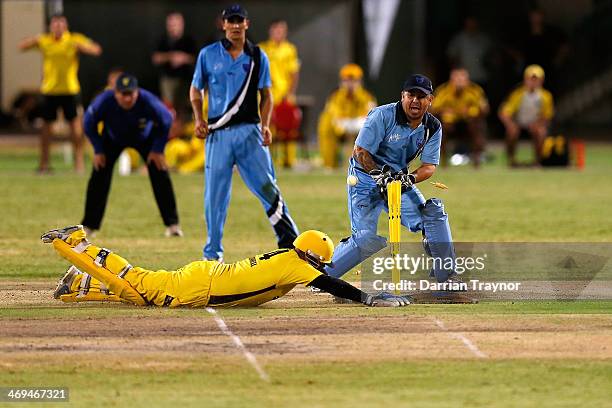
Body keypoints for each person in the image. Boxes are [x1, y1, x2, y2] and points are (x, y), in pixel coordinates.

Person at [42, 225, 410, 308]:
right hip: (201, 288)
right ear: (310, 255)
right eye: (320, 261)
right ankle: (74, 243)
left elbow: (325, 280)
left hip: (206, 277)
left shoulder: (289, 257)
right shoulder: (297, 266)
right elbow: (331, 285)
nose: (321, 267)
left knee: (140, 288)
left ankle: (79, 288)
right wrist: (366, 298)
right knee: (136, 287)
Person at [325, 74, 459, 286]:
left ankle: (447, 278)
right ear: (402, 96)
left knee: (432, 215)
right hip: (365, 179)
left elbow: (429, 167)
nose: (415, 101)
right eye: (411, 95)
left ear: (430, 100)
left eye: (421, 96)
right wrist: (378, 174)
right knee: (365, 239)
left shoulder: (432, 127)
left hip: (397, 180)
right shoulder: (381, 115)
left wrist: (409, 179)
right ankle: (323, 277)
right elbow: (360, 151)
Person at [190, 4, 299, 261]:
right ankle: (212, 255)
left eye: (240, 21)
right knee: (214, 197)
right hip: (218, 135)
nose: (236, 25)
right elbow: (196, 90)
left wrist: (265, 125)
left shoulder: (258, 56)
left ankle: (291, 245)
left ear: (247, 24)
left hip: (251, 133)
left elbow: (267, 96)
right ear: (223, 24)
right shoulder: (208, 55)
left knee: (268, 188)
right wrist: (198, 119)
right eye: (231, 21)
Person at [81, 73, 182, 237]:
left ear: (137, 92)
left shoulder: (148, 100)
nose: (127, 99)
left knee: (160, 173)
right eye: (123, 94)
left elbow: (166, 120)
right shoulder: (104, 101)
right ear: (116, 93)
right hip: (112, 138)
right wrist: (98, 150)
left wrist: (157, 149)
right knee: (99, 175)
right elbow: (88, 123)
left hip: (144, 137)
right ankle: (89, 225)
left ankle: (173, 225)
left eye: (131, 94)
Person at [18, 14, 102, 174]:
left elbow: (96, 49)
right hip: (49, 90)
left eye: (61, 24)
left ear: (66, 26)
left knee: (76, 128)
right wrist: (33, 40)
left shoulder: (74, 39)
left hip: (70, 90)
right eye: (55, 25)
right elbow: (21, 46)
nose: (58, 27)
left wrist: (82, 47)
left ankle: (79, 165)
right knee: (46, 129)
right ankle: (44, 164)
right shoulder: (45, 40)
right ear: (50, 27)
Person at [259, 19, 301, 168]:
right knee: (266, 126)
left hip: (284, 94)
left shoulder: (289, 49)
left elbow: (294, 73)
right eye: (277, 30)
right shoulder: (262, 49)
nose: (279, 33)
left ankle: (289, 160)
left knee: (289, 127)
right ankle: (265, 159)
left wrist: (290, 93)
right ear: (271, 31)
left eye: (282, 30)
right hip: (267, 93)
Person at [318, 64, 376, 169]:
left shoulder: (366, 96)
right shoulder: (336, 96)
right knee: (325, 124)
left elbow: (370, 114)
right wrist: (341, 127)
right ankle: (330, 164)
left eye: (354, 80)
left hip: (360, 125)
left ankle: (369, 165)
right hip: (342, 124)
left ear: (359, 82)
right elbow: (333, 114)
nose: (350, 84)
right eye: (347, 80)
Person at [431, 67, 489, 167]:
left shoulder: (474, 90)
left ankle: (477, 161)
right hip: (450, 122)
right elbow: (433, 109)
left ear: (467, 81)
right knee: (441, 128)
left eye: (462, 79)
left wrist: (472, 111)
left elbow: (485, 109)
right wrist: (447, 111)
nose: (459, 82)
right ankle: (443, 162)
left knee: (476, 126)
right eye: (456, 79)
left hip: (469, 121)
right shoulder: (444, 90)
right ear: (451, 80)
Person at [498, 64, 554, 167]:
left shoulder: (546, 96)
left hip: (535, 123)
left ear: (541, 80)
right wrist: (511, 125)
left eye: (536, 79)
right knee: (511, 132)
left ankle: (537, 161)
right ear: (525, 79)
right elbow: (504, 112)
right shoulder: (517, 94)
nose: (533, 82)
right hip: (519, 122)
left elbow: (547, 116)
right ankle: (511, 160)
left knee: (541, 132)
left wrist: (538, 124)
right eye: (530, 79)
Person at [152, 12, 197, 116]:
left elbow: (197, 58)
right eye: (170, 25)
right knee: (168, 108)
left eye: (175, 24)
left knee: (184, 108)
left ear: (182, 25)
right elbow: (156, 58)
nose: (173, 28)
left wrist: (182, 58)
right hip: (168, 80)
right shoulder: (162, 40)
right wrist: (171, 56)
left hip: (185, 80)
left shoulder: (189, 40)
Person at [446, 17, 491, 90]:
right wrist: (456, 74)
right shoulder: (459, 39)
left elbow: (492, 56)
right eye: (469, 23)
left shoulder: (484, 39)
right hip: (464, 79)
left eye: (473, 23)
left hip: (481, 76)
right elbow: (451, 57)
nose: (471, 26)